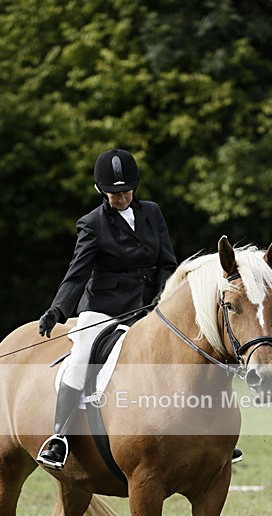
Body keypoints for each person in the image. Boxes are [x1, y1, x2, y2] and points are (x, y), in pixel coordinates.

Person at [36, 148, 178, 469]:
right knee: (80, 359)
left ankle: (204, 434)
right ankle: (60, 438)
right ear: (100, 190)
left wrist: (163, 295)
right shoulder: (91, 224)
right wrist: (58, 310)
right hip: (104, 308)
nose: (120, 198)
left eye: (125, 191)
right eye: (113, 193)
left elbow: (167, 263)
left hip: (151, 306)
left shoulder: (153, 213)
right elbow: (78, 272)